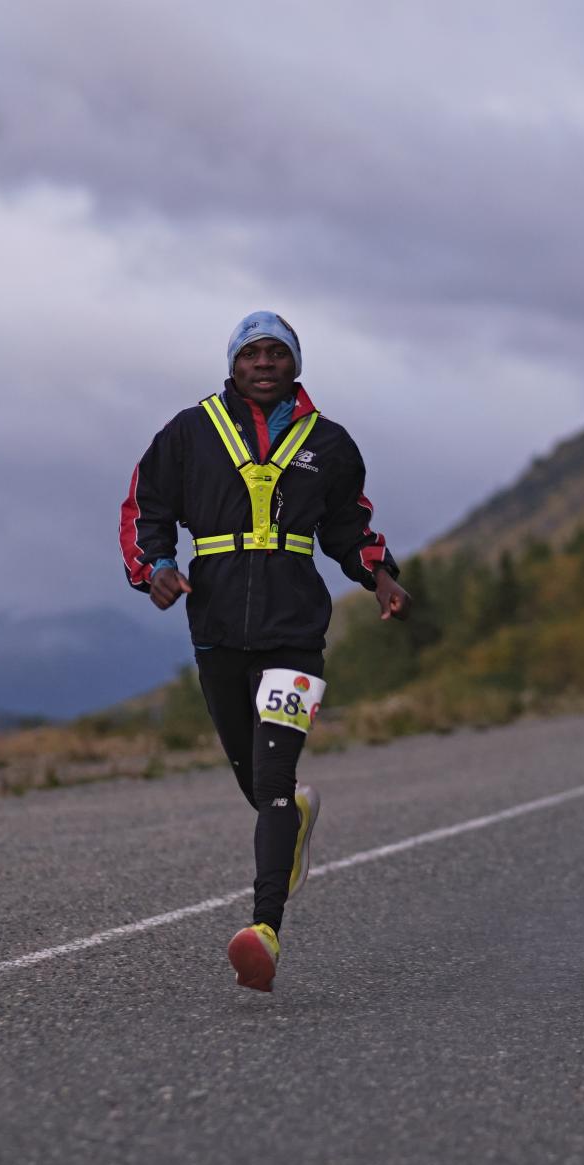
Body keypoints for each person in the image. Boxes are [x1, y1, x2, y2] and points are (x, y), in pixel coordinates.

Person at [119, 311, 410, 991]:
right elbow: (145, 506)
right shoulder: (188, 433)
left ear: (295, 364)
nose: (264, 362)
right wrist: (153, 567)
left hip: (294, 632)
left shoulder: (329, 444)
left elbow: (349, 524)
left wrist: (380, 573)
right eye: (251, 352)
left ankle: (264, 930)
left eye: (277, 352)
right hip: (217, 629)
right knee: (255, 783)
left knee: (275, 780)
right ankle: (295, 816)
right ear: (232, 363)